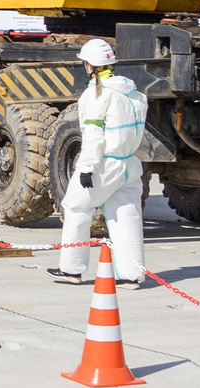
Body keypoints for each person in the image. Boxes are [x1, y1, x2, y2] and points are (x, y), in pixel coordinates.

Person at [54, 38, 146, 286]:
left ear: (90, 65)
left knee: (75, 208)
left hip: (104, 165)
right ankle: (131, 276)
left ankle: (71, 269)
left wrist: (86, 167)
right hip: (129, 165)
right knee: (127, 217)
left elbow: (94, 136)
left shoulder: (96, 95)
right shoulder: (136, 95)